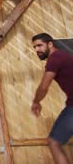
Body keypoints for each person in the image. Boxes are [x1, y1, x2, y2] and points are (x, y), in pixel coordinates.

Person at [31, 33, 72, 164]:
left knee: (54, 141)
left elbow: (44, 86)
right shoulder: (64, 56)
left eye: (39, 45)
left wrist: (36, 102)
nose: (37, 50)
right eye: (35, 47)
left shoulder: (55, 57)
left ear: (50, 44)